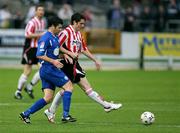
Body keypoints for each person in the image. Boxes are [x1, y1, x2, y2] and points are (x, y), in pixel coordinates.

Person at [44, 13, 122, 123]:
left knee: (76, 88)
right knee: (76, 88)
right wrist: (69, 53)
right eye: (81, 23)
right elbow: (57, 47)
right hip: (66, 63)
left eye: (84, 24)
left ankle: (51, 111)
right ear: (74, 22)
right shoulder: (66, 32)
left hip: (75, 64)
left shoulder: (79, 34)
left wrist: (95, 60)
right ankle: (106, 105)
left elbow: (83, 49)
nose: (83, 26)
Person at [19, 16, 77, 124]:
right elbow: (39, 54)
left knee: (48, 98)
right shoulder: (45, 38)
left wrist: (64, 54)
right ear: (52, 26)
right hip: (49, 69)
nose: (61, 29)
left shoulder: (54, 37)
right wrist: (54, 61)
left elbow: (54, 52)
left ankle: (25, 114)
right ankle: (65, 115)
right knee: (69, 86)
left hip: (48, 69)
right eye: (59, 27)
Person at [14, 4, 46, 99]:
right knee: (27, 71)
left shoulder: (43, 22)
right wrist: (41, 34)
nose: (41, 12)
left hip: (39, 48)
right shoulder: (32, 22)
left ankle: (29, 86)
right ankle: (18, 91)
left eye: (42, 10)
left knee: (43, 69)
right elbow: (27, 35)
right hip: (30, 49)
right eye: (39, 10)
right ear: (35, 11)